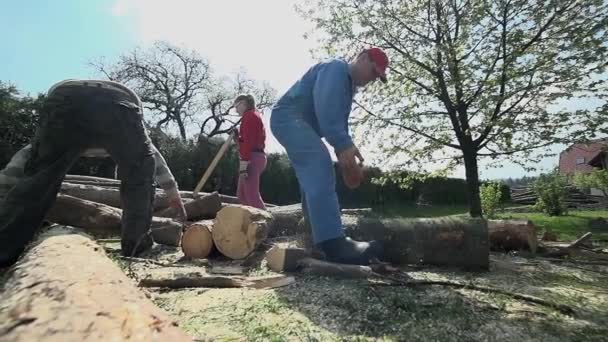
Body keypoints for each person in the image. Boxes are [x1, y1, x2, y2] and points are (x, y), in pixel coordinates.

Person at [0, 79, 187, 267]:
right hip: (120, 102)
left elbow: (23, 162)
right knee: (139, 178)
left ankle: (4, 249)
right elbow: (153, 161)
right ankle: (137, 247)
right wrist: (173, 195)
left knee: (39, 177)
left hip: (65, 98)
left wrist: (3, 187)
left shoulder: (58, 137)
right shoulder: (127, 134)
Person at [270, 47, 389, 265]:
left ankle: (313, 238)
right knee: (318, 162)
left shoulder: (347, 88)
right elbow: (327, 112)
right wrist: (344, 146)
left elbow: (338, 126)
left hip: (295, 122)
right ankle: (334, 243)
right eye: (373, 72)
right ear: (362, 58)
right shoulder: (336, 69)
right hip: (288, 118)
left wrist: (347, 159)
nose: (372, 79)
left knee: (311, 177)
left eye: (376, 77)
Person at [233, 94, 267, 210]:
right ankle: (251, 222)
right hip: (253, 156)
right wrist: (237, 138)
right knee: (242, 195)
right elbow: (245, 142)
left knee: (251, 196)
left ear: (243, 103)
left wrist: (244, 164)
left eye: (236, 106)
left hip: (252, 158)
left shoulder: (249, 116)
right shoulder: (252, 116)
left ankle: (266, 223)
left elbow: (248, 143)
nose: (236, 110)